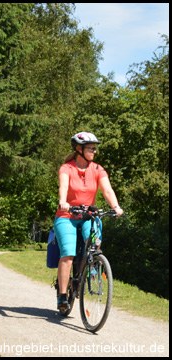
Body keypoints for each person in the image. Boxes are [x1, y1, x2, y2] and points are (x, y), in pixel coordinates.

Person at [54, 132, 123, 310]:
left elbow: (107, 190)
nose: (94, 151)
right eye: (91, 148)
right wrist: (63, 202)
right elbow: (63, 187)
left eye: (94, 148)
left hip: (87, 215)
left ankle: (91, 266)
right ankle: (62, 295)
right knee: (68, 254)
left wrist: (116, 207)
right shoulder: (66, 168)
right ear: (79, 149)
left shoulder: (98, 169)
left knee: (94, 242)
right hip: (67, 216)